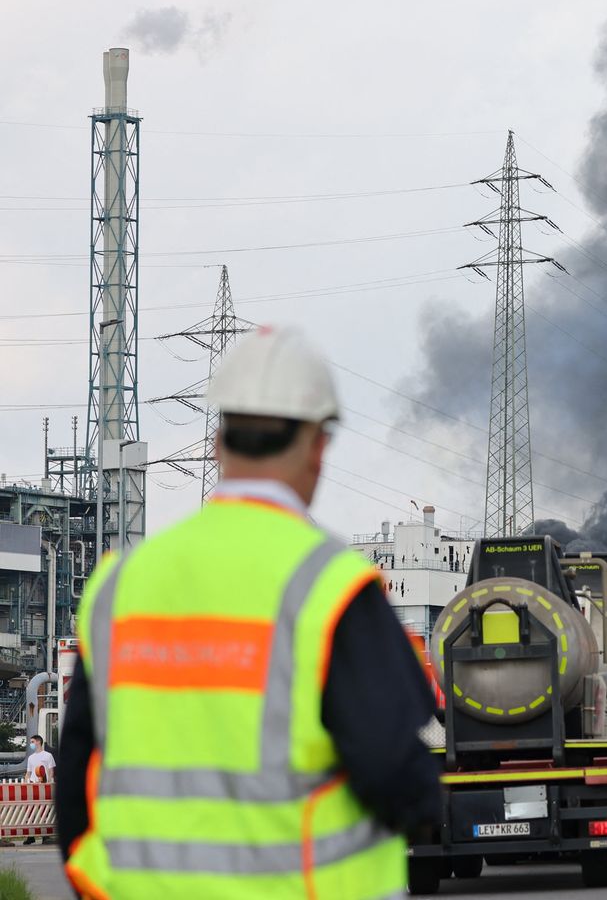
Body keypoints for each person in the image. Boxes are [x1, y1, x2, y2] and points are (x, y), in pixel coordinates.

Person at [56, 326, 441, 899]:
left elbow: (75, 789)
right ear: (317, 446)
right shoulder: (330, 587)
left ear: (218, 441)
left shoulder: (121, 586)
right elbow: (398, 778)